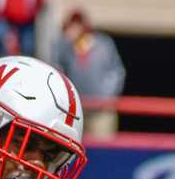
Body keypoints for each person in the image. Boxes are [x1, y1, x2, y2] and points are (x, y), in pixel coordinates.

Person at [52, 9, 125, 138]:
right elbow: (57, 70)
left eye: (76, 25)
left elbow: (117, 72)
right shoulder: (65, 47)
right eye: (70, 25)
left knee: (103, 147)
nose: (73, 30)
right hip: (76, 112)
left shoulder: (103, 44)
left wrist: (106, 97)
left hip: (101, 110)